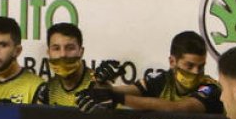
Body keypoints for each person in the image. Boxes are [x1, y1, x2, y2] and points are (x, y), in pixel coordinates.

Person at [78, 31, 222, 114]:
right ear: (172, 62)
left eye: (201, 66)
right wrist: (102, 83)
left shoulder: (211, 88)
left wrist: (118, 98)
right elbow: (121, 91)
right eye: (189, 66)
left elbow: (179, 108)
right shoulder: (164, 80)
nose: (196, 72)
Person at [33, 22, 92, 107]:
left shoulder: (98, 85)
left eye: (70, 48)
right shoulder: (47, 90)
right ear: (48, 52)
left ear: (81, 51)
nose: (63, 54)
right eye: (56, 48)